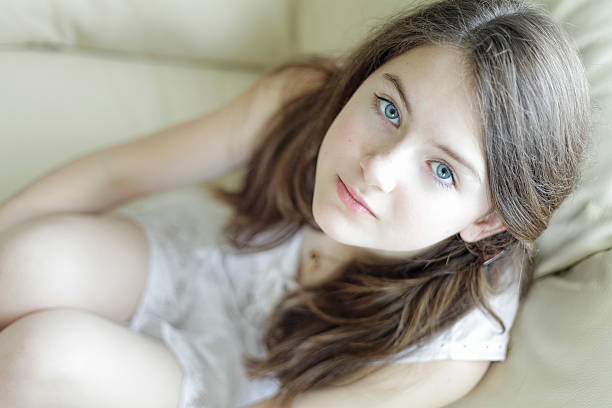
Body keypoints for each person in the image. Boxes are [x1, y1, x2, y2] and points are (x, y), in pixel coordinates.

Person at [0, 0, 591, 407]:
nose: (379, 168)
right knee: (24, 261)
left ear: (487, 218)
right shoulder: (309, 98)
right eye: (389, 109)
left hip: (245, 388)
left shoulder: (447, 352)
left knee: (43, 356)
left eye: (441, 169)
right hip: (203, 257)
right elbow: (114, 174)